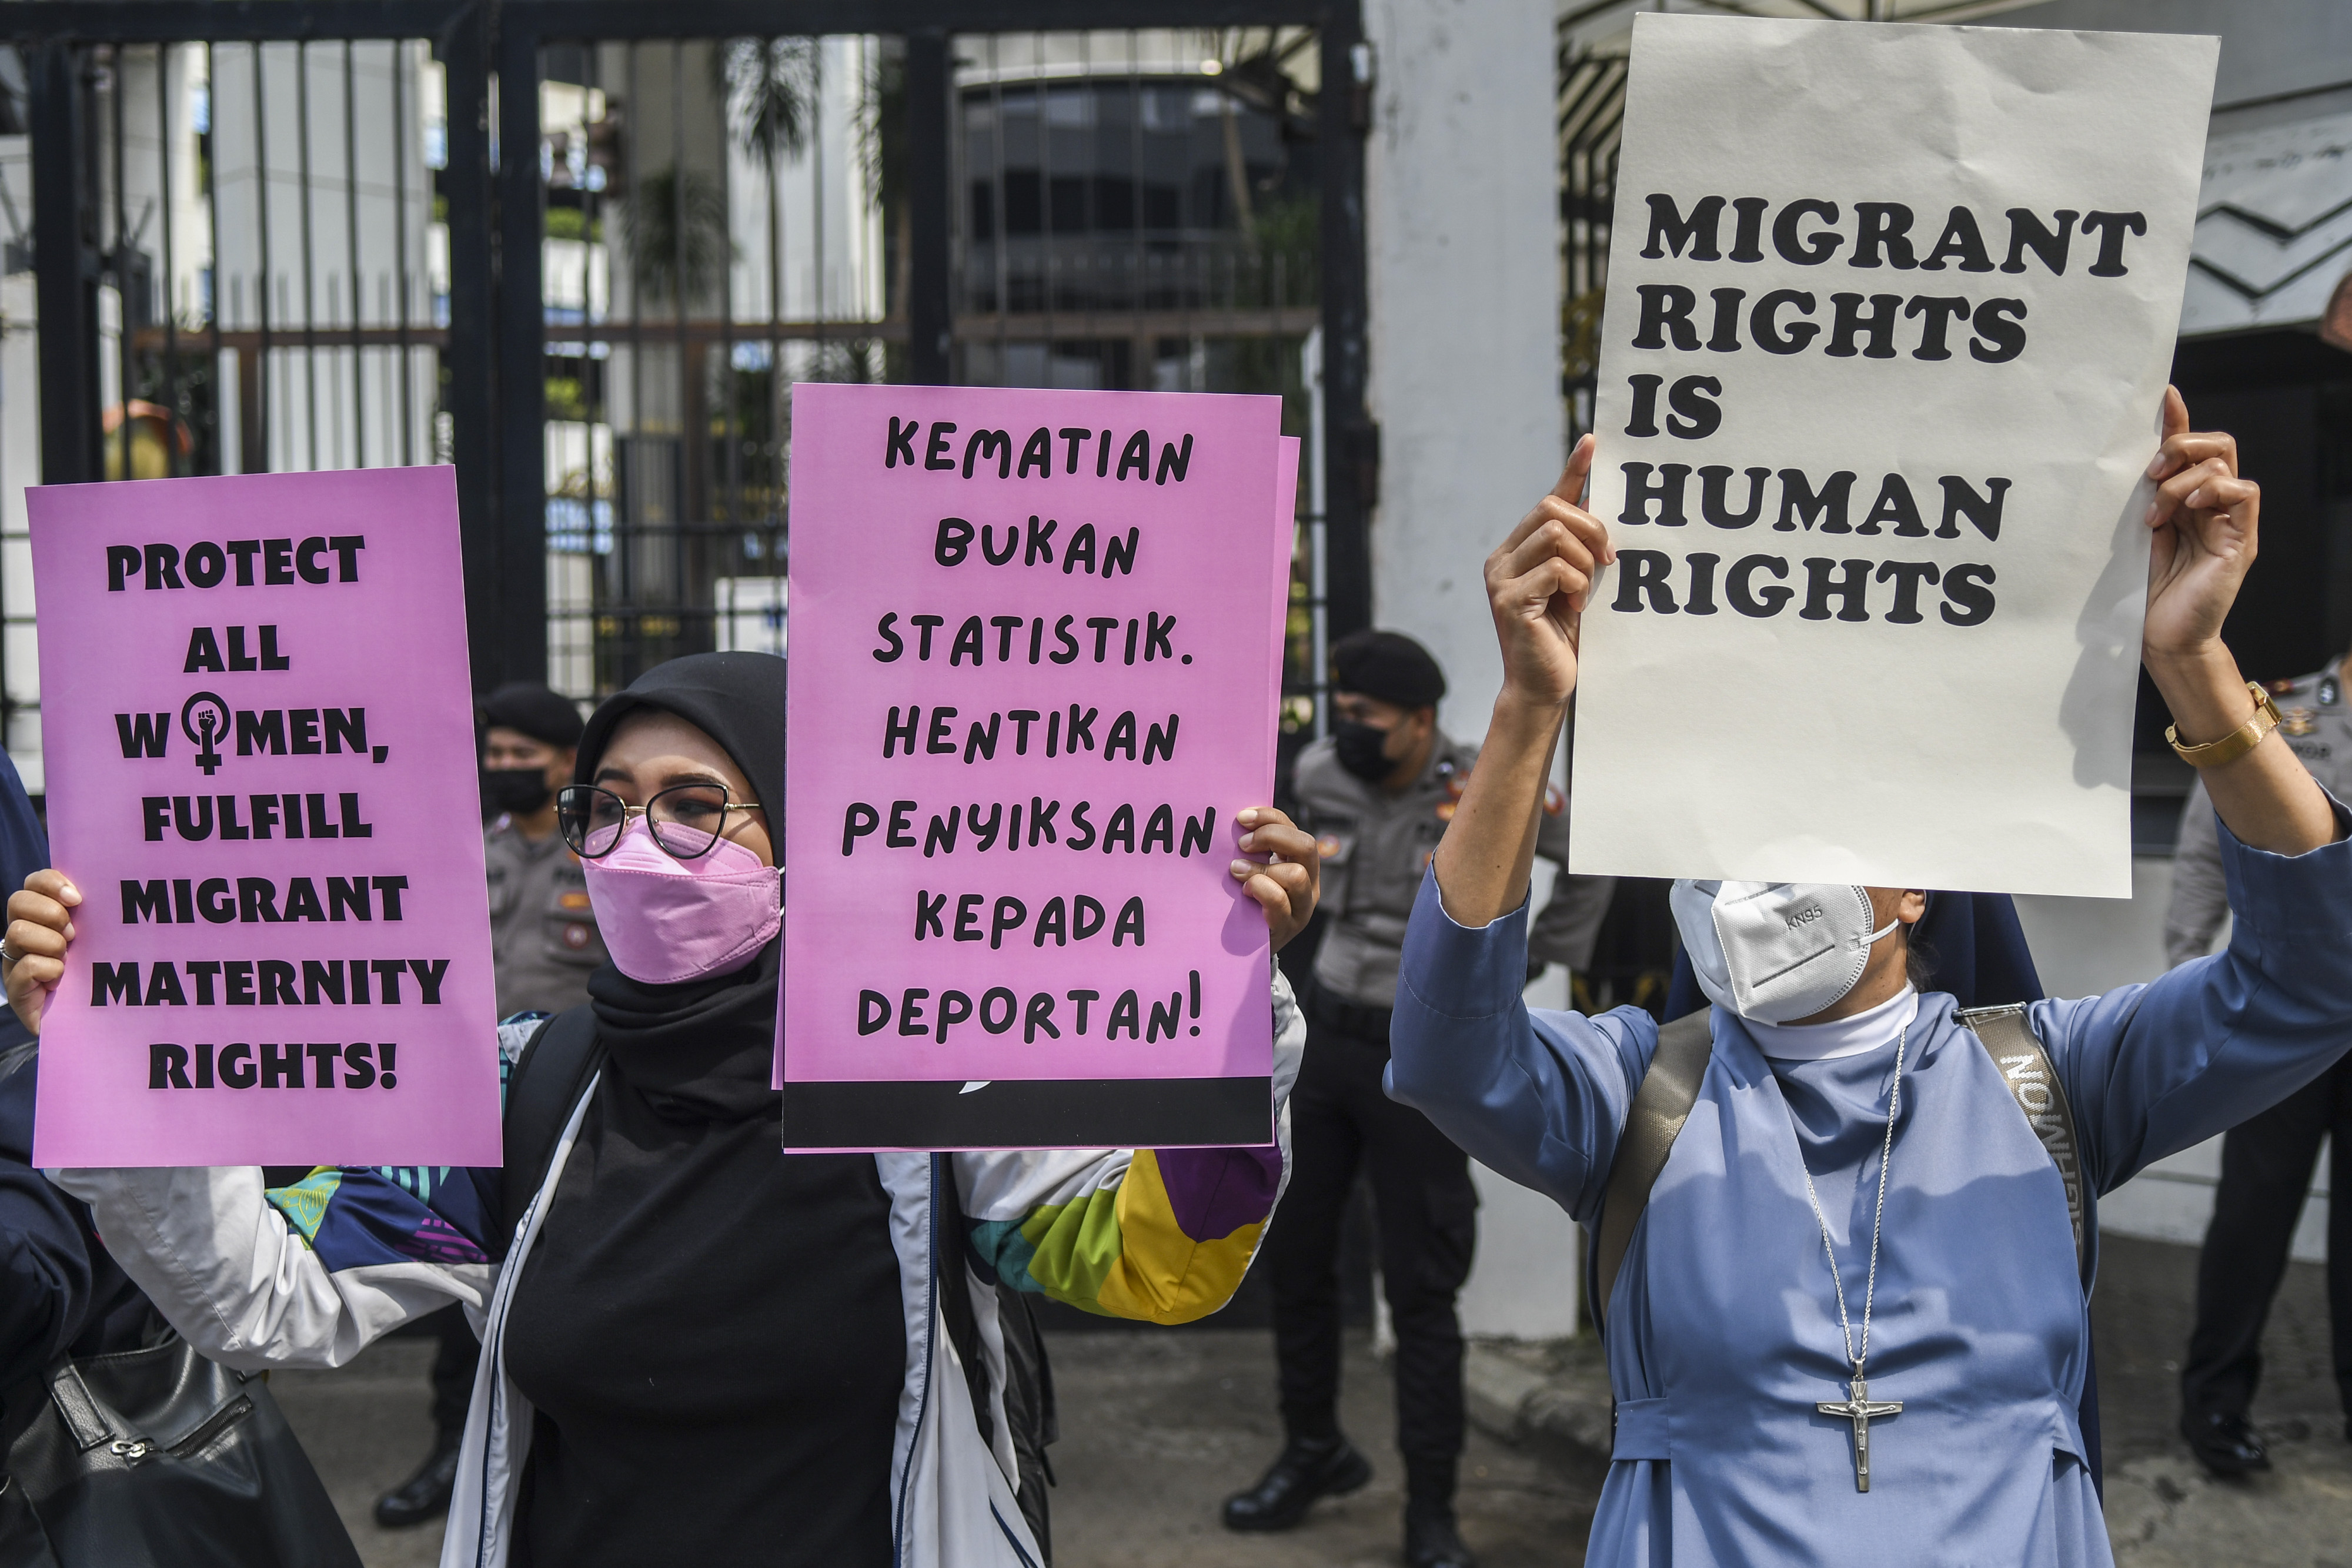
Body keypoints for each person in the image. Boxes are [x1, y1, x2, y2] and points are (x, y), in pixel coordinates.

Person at [8, 651, 1317, 1568]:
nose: (640, 845)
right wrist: (117, 1057)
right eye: (609, 806)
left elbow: (1161, 1260)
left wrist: (1231, 1000)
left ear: (810, 831)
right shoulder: (523, 1081)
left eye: (698, 807)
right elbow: (260, 1295)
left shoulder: (928, 1088)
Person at [1382, 390, 2352, 1566]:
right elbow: (1445, 1052)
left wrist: (2191, 666)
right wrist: (1528, 706)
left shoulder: (2057, 1077)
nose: (1763, 858)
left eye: (1816, 823)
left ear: (1916, 887)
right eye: (1737, 826)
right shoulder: (1639, 1094)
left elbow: (2310, 982)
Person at [1225, 628, 1614, 1568]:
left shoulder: (1485, 782)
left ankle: (1431, 1510)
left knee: (1422, 1288)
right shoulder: (1317, 774)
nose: (1346, 729)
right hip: (1328, 1048)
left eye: (1367, 716)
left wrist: (1524, 962)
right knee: (1299, 1261)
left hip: (1423, 1069)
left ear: (1421, 720)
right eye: (1344, 712)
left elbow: (1588, 859)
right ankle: (1313, 1449)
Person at [372, 681, 611, 1529]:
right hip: (477, 1106)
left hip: (587, 1114)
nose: (504, 770)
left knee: (582, 1289)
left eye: (524, 758)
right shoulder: (474, 851)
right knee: (461, 1289)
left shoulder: (606, 857)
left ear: (569, 765)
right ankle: (452, 1455)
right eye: (496, 756)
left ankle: (577, 1457)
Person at [2164, 647, 2352, 1475]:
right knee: (2252, 1212)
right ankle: (2215, 1404)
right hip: (2285, 1013)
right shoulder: (2284, 710)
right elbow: (2209, 840)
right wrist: (2185, 970)